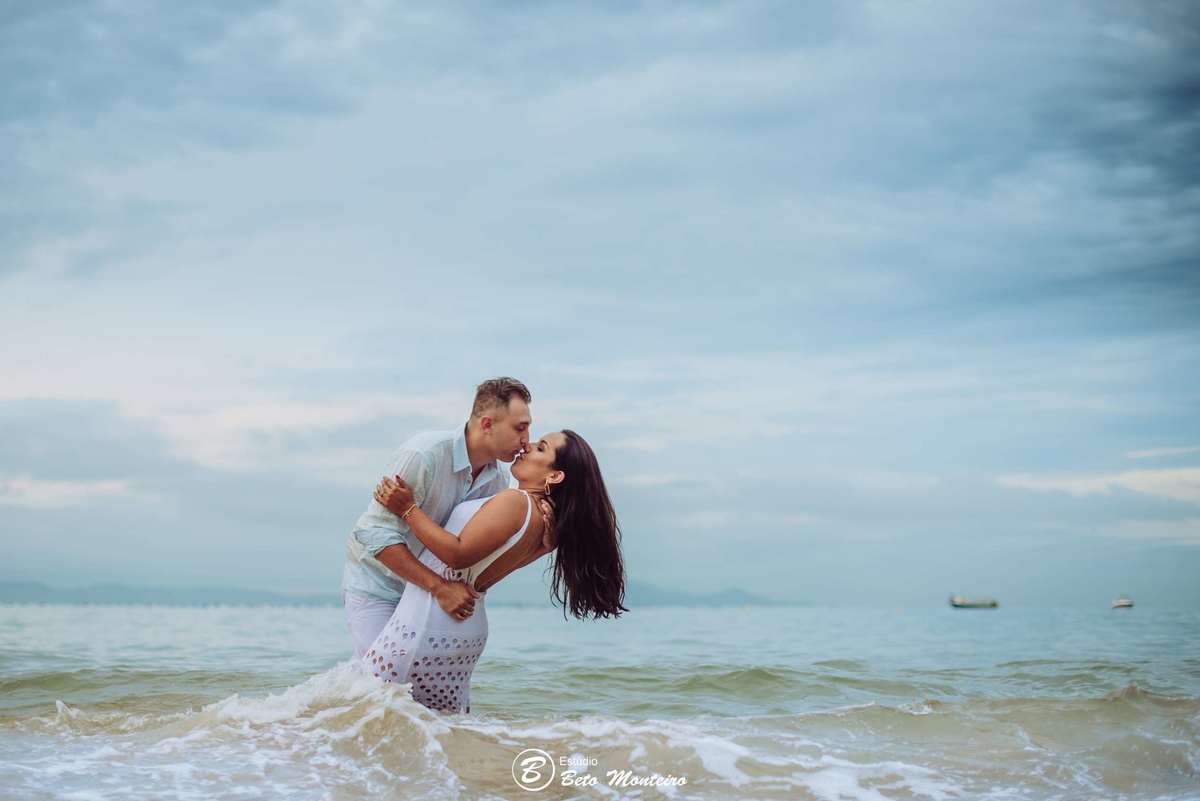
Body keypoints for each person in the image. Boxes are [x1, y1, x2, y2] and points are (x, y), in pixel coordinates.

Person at [364, 429, 626, 713]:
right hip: (461, 627)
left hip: (429, 621)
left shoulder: (515, 502)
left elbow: (457, 555)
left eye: (541, 448)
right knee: (441, 727)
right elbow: (486, 570)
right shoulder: (541, 519)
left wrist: (408, 509)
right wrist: (543, 549)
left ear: (554, 476)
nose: (527, 446)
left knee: (371, 711)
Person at [340, 377, 532, 660]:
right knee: (378, 677)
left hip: (428, 596)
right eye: (520, 428)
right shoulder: (423, 454)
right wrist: (440, 588)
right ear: (487, 424)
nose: (526, 440)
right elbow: (374, 534)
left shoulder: (498, 482)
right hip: (378, 584)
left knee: (416, 685)